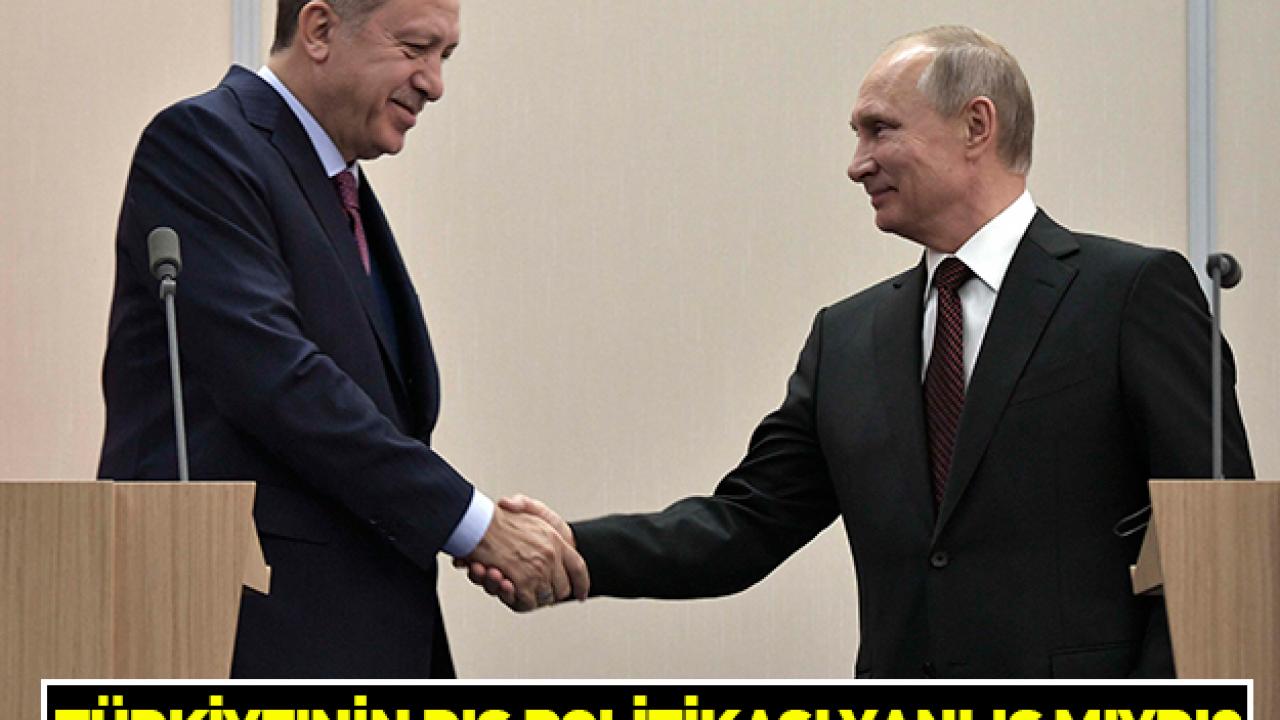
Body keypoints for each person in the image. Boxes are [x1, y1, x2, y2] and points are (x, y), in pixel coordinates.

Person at [464, 25, 1254, 678]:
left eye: (881, 129)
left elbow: (1219, 552)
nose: (857, 163)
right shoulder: (847, 338)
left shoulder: (1129, 294)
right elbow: (745, 525)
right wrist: (573, 550)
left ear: (976, 126)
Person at [97, 0, 586, 678]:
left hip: (363, 644)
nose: (435, 83)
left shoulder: (337, 183)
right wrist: (473, 524)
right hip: (240, 636)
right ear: (320, 30)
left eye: (445, 57)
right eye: (416, 48)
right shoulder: (204, 143)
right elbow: (278, 379)